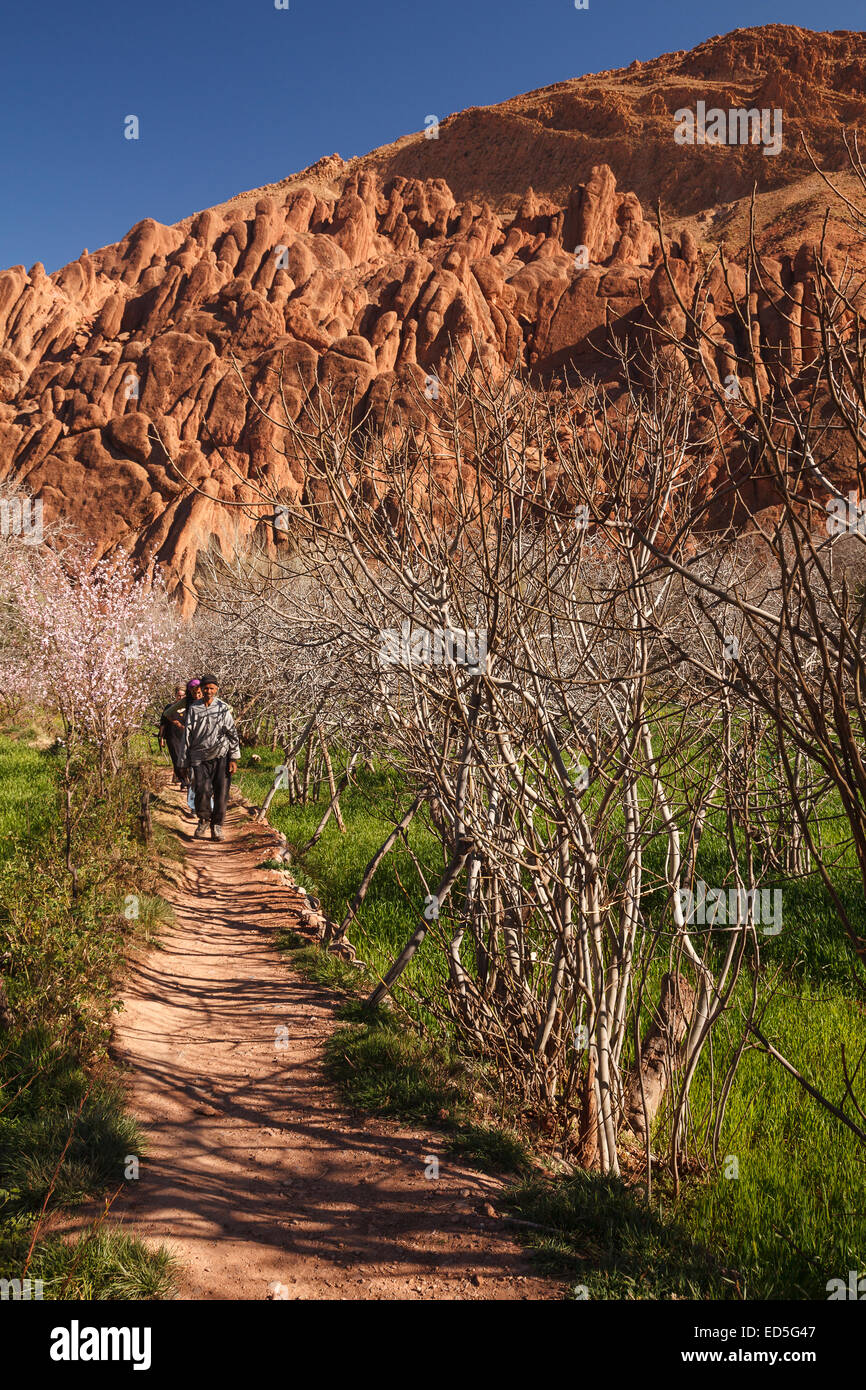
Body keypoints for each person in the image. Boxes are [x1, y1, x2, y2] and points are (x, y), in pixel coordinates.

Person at [181, 674, 240, 841]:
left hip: (221, 756)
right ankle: (204, 820)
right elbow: (187, 735)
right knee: (202, 789)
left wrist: (233, 758)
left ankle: (217, 826)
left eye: (212, 688)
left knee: (221, 793)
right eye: (206, 688)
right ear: (201, 689)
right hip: (199, 757)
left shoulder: (223, 708)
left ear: (216, 690)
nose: (208, 691)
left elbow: (232, 734)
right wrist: (183, 761)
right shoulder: (194, 709)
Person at [158, 684, 191, 788]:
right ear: (175, 695)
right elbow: (163, 723)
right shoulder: (169, 707)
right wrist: (161, 737)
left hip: (186, 737)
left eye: (183, 696)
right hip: (172, 737)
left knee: (187, 759)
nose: (180, 698)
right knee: (176, 759)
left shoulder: (189, 707)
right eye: (178, 695)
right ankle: (183, 780)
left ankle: (188, 778)